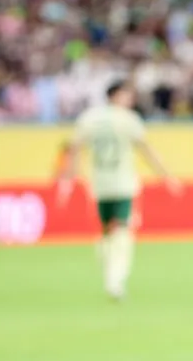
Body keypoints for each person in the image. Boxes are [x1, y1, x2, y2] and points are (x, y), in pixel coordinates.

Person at [57, 81, 181, 300]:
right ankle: (115, 279)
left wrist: (69, 180)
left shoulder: (89, 119)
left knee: (109, 231)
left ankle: (111, 276)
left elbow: (74, 149)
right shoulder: (128, 120)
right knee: (121, 231)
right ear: (115, 96)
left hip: (98, 184)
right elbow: (147, 150)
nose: (130, 100)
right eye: (127, 95)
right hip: (122, 183)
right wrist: (167, 176)